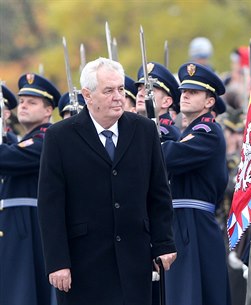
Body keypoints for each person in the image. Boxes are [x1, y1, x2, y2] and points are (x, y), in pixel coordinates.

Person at [37, 57, 177, 305]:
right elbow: (51, 206)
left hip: (135, 258)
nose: (118, 96)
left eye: (121, 89)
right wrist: (57, 262)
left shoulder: (144, 131)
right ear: (88, 96)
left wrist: (164, 242)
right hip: (83, 263)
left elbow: (159, 192)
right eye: (109, 90)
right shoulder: (60, 137)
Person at [161, 62, 231, 305]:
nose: (185, 96)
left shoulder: (207, 131)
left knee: (191, 293)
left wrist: (147, 137)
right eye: (183, 92)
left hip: (193, 223)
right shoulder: (188, 133)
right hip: (179, 221)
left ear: (209, 101)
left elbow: (168, 156)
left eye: (193, 92)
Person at [0, 74, 60, 305]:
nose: (23, 105)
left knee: (23, 291)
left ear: (48, 111)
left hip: (29, 227)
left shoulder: (48, 139)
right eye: (22, 100)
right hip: (16, 227)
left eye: (32, 102)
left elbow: (9, 158)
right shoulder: (21, 141)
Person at [135, 62, 181, 142]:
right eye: (139, 89)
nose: (140, 94)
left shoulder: (167, 134)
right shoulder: (140, 128)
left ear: (166, 102)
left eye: (148, 90)